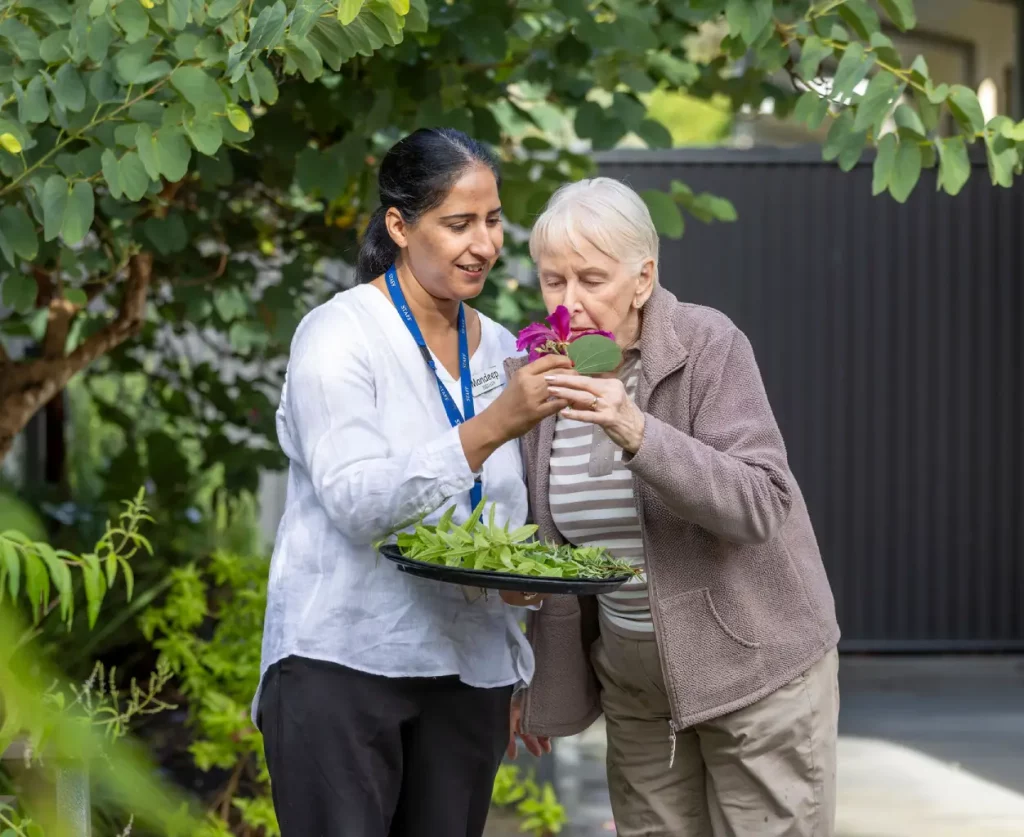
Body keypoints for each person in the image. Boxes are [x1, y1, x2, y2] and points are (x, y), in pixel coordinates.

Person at [253, 127, 571, 837]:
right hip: (345, 664)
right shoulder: (338, 336)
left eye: (492, 220)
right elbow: (359, 500)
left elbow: (502, 523)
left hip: (468, 674)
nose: (484, 244)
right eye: (458, 224)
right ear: (399, 225)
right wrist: (494, 423)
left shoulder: (498, 346)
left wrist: (517, 656)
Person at [507, 177, 841, 836]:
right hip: (637, 685)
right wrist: (535, 682)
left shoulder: (707, 345)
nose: (568, 302)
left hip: (752, 668)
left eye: (591, 278)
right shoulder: (548, 369)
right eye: (553, 281)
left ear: (643, 277)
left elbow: (761, 501)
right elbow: (549, 553)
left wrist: (638, 432)